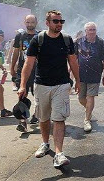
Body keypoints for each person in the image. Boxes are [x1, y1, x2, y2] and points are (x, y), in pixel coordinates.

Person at [17, 10, 80, 168]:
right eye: (56, 21)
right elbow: (28, 63)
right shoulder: (38, 40)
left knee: (59, 118)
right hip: (42, 84)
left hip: (62, 84)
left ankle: (59, 153)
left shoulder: (66, 40)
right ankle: (45, 143)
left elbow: (73, 61)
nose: (59, 24)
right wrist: (23, 85)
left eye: (61, 21)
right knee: (43, 118)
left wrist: (78, 80)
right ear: (47, 23)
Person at [75, 22, 104, 132]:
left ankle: (87, 120)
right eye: (90, 30)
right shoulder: (79, 42)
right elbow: (73, 59)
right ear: (85, 31)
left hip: (95, 75)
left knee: (90, 97)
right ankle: (89, 110)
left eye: (94, 29)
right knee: (81, 98)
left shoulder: (101, 43)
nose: (92, 32)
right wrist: (71, 73)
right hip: (81, 75)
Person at [10, 15, 39, 131]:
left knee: (39, 97)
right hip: (23, 71)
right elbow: (16, 53)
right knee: (22, 95)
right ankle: (22, 122)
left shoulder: (41, 36)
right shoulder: (20, 36)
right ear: (24, 23)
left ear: (36, 22)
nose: (30, 24)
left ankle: (36, 115)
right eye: (28, 22)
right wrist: (12, 67)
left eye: (32, 22)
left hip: (38, 71)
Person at [0, 28, 13, 117]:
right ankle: (3, 111)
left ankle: (3, 111)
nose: (3, 37)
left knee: (0, 89)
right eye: (1, 35)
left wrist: (3, 69)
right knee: (0, 89)